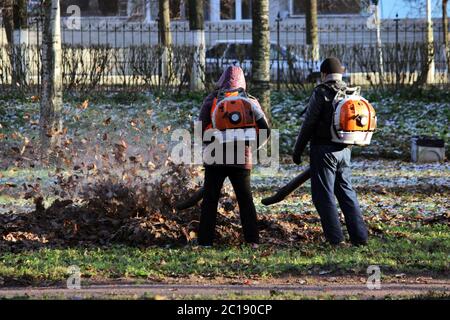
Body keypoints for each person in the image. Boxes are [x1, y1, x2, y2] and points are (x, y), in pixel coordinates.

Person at [292, 57, 368, 246]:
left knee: (323, 196)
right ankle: (360, 238)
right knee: (346, 193)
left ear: (323, 74)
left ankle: (336, 240)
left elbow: (309, 123)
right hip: (345, 149)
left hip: (323, 150)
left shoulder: (322, 92)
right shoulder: (349, 92)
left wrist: (298, 149)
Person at [198, 66, 270, 247]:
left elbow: (200, 130)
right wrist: (252, 148)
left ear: (221, 80)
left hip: (215, 157)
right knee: (246, 200)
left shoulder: (212, 99)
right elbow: (265, 130)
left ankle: (205, 242)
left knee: (210, 200)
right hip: (241, 158)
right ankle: (252, 241)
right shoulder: (250, 101)